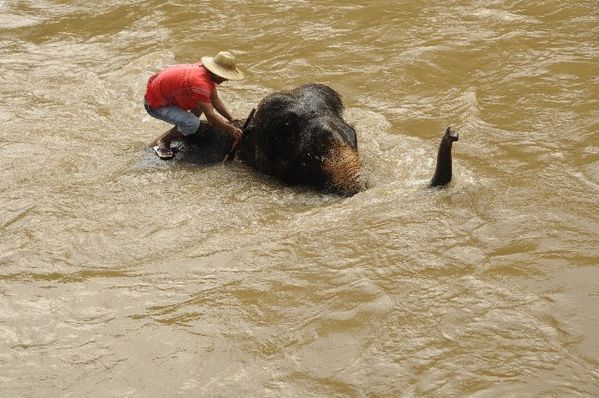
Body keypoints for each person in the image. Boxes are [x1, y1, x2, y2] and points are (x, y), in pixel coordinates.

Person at [144, 51, 245, 159]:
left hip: (164, 96)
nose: (227, 79)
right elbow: (210, 116)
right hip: (155, 105)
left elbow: (215, 100)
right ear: (216, 72)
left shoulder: (206, 73)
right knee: (193, 124)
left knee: (200, 107)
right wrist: (232, 130)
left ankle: (182, 127)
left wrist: (231, 118)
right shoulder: (200, 83)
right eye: (224, 76)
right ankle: (164, 140)